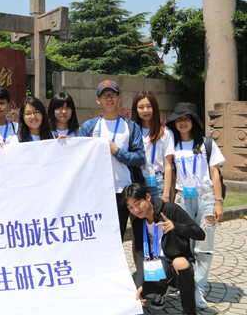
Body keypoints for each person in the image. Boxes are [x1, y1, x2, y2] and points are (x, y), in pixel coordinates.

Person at [166, 102, 225, 309]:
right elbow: (172, 176)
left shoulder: (207, 144)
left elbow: (215, 173)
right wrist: (169, 203)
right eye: (179, 119)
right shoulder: (172, 145)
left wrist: (218, 201)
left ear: (194, 121)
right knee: (185, 245)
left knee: (204, 246)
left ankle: (198, 288)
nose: (182, 122)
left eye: (187, 118)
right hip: (182, 198)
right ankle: (186, 283)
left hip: (206, 197)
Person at [79, 80, 145, 242]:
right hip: (98, 191)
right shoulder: (89, 127)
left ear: (119, 98)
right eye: (104, 96)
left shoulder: (131, 127)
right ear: (98, 100)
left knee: (117, 238)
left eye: (113, 95)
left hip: (124, 191)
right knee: (97, 238)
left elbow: (139, 158)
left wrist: (116, 151)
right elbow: (80, 159)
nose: (109, 99)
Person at [124, 183, 205, 314]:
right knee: (129, 289)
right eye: (130, 207)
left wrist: (176, 226)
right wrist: (139, 285)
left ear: (148, 197)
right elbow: (140, 254)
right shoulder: (138, 223)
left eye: (138, 203)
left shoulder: (170, 210)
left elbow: (200, 234)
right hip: (154, 268)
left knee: (180, 262)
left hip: (174, 269)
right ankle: (160, 290)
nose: (136, 210)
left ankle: (189, 311)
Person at [130, 91, 175, 200]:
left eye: (149, 106)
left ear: (155, 107)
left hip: (157, 182)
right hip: (138, 180)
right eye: (141, 107)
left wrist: (166, 195)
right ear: (136, 109)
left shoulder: (165, 133)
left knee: (158, 210)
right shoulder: (133, 132)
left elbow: (168, 165)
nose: (145, 110)